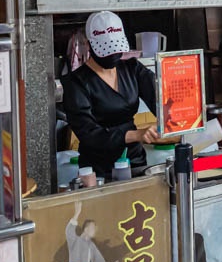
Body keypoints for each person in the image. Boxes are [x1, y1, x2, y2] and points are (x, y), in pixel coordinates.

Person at [62, 11, 161, 178]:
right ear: (88, 44)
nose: (113, 55)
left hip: (134, 161)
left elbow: (160, 97)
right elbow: (89, 134)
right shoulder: (76, 83)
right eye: (106, 50)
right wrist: (136, 134)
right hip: (98, 170)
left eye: (116, 49)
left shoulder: (132, 68)